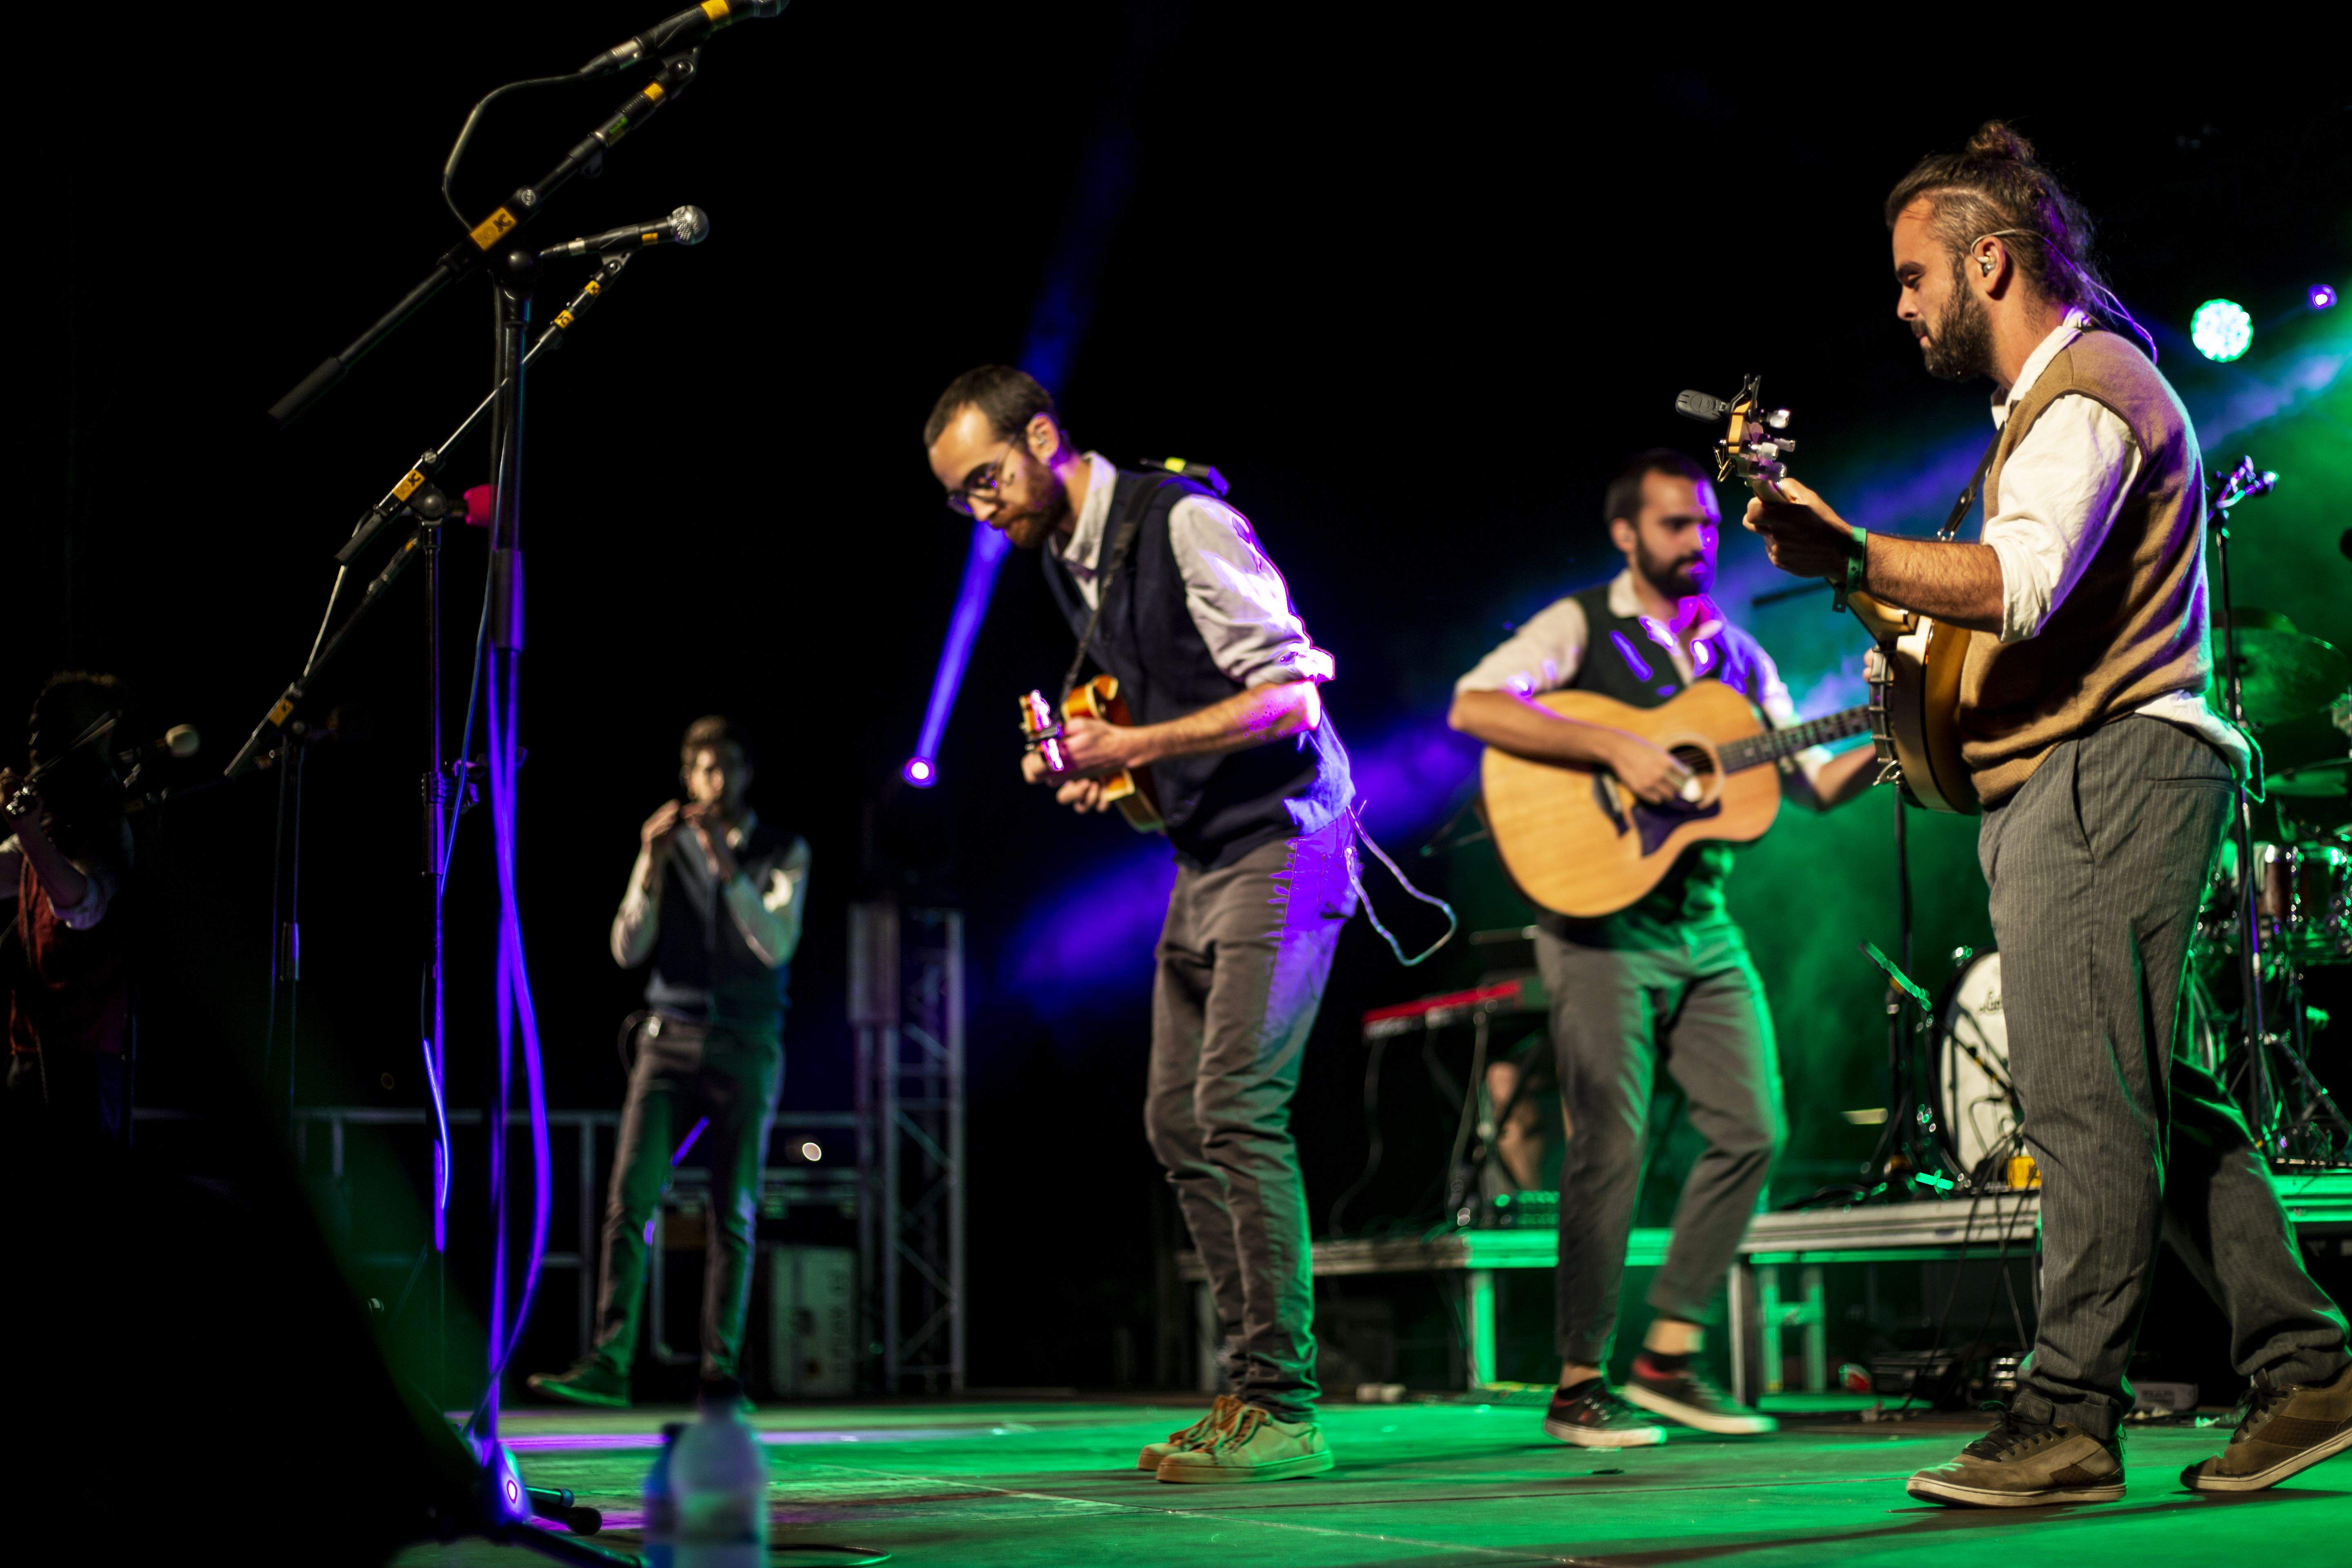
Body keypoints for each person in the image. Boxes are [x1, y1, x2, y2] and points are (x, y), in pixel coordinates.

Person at [1744, 120, 2350, 1506]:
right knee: (2153, 1094)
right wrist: (1873, 604)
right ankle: (2308, 1368)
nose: (1899, 306)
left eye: (1914, 276)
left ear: (1991, 261)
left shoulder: (2087, 392)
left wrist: (1852, 548)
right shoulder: (2046, 408)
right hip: (2095, 769)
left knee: (2082, 1098)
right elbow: (2000, 622)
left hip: (2108, 767)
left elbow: (2018, 587)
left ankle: (2070, 1413)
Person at [925, 365, 1355, 1482]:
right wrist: (1106, 779)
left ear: (1045, 438)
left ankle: (1284, 1407)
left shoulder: (1184, 522)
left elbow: (1292, 697)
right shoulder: (1072, 564)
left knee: (1237, 1107)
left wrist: (1136, 751)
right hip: (1205, 853)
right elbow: (1164, 749)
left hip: (1286, 839)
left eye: (986, 481)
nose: (982, 512)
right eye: (960, 498)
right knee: (1177, 1118)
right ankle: (1251, 1388)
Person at [1448, 450, 1878, 1448]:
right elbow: (1476, 704)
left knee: (1753, 1126)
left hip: (1700, 923)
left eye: (1705, 526)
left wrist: (1895, 739)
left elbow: (1809, 782)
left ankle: (1667, 1356)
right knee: (1611, 1141)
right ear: (1625, 534)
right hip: (1597, 926)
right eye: (1674, 525)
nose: (1696, 541)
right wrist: (1612, 747)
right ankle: (1575, 1382)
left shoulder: (1738, 658)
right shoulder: (1578, 625)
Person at [528, 716, 809, 1408]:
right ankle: (610, 1363)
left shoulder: (782, 850)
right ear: (688, 777)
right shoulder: (667, 843)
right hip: (667, 1038)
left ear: (745, 775)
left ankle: (719, 1375)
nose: (716, 783)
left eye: (728, 768)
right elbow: (627, 948)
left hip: (746, 1044)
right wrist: (651, 862)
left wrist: (724, 864)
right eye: (704, 770)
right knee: (631, 1198)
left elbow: (774, 945)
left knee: (732, 1211)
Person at [2, 672, 136, 1156]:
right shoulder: (45, 828)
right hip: (29, 1055)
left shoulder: (105, 825)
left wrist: (32, 833)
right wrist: (29, 830)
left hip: (85, 1064)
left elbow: (82, 907)